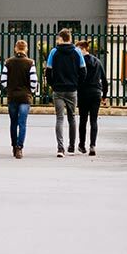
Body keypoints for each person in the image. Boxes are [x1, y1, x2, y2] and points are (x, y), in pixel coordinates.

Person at [45, 29, 86, 158]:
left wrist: (53, 84)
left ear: (61, 38)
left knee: (59, 118)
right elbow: (83, 71)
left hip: (58, 90)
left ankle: (60, 148)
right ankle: (72, 146)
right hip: (72, 89)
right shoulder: (77, 52)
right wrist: (77, 84)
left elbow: (48, 71)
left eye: (58, 38)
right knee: (72, 117)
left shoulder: (54, 52)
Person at [4, 41, 39, 159]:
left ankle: (14, 146)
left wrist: (9, 89)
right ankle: (20, 147)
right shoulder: (30, 62)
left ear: (15, 49)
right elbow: (34, 81)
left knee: (13, 122)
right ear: (26, 49)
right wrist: (31, 91)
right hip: (25, 97)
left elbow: (3, 81)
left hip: (12, 96)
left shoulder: (8, 62)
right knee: (22, 123)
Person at [75, 40, 105, 156]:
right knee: (94, 120)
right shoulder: (97, 61)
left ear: (83, 49)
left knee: (83, 120)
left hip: (83, 93)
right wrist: (105, 95)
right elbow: (104, 80)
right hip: (96, 92)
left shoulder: (79, 62)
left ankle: (82, 145)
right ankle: (92, 145)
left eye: (78, 49)